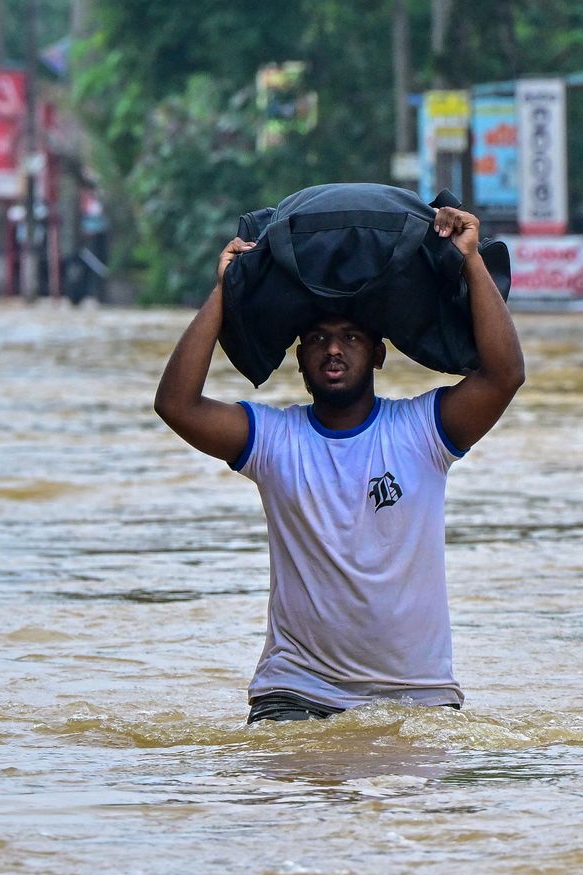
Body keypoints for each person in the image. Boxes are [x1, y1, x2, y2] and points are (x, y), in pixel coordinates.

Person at [154, 206, 524, 723]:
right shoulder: (273, 440)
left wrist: (469, 261)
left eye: (350, 337)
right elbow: (177, 405)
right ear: (299, 357)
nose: (333, 349)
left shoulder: (422, 431)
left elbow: (504, 377)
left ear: (377, 355)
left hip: (417, 693)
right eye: (318, 339)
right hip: (294, 690)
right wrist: (225, 290)